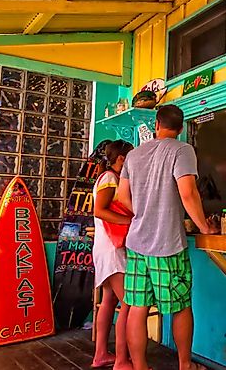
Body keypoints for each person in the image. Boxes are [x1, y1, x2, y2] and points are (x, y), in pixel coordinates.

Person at [116, 105, 218, 370]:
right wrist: (204, 227)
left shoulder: (134, 155)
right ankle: (185, 365)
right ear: (181, 129)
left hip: (136, 244)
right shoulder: (182, 150)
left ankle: (140, 367)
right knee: (181, 306)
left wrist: (142, 211)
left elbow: (121, 196)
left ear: (156, 125)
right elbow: (188, 193)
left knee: (137, 307)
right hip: (167, 245)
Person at [92, 139, 135, 369]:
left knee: (109, 301)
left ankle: (101, 354)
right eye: (130, 157)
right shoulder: (109, 178)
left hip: (107, 247)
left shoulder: (110, 178)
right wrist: (131, 221)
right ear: (121, 159)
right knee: (129, 303)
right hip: (112, 250)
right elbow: (100, 210)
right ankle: (122, 360)